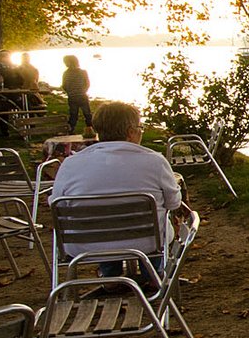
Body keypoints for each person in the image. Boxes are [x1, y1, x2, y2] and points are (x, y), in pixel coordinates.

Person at [50, 101, 191, 285]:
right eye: (141, 128)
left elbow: (56, 205)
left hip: (85, 246)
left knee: (101, 222)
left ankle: (110, 277)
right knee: (161, 221)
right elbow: (173, 204)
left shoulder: (70, 164)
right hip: (145, 242)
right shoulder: (155, 162)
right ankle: (153, 275)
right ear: (131, 132)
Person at [61, 54, 93, 134]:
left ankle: (71, 130)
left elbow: (64, 85)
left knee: (74, 114)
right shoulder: (83, 72)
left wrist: (69, 91)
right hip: (82, 95)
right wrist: (83, 90)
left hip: (73, 96)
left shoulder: (66, 73)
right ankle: (90, 129)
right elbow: (87, 83)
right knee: (87, 114)